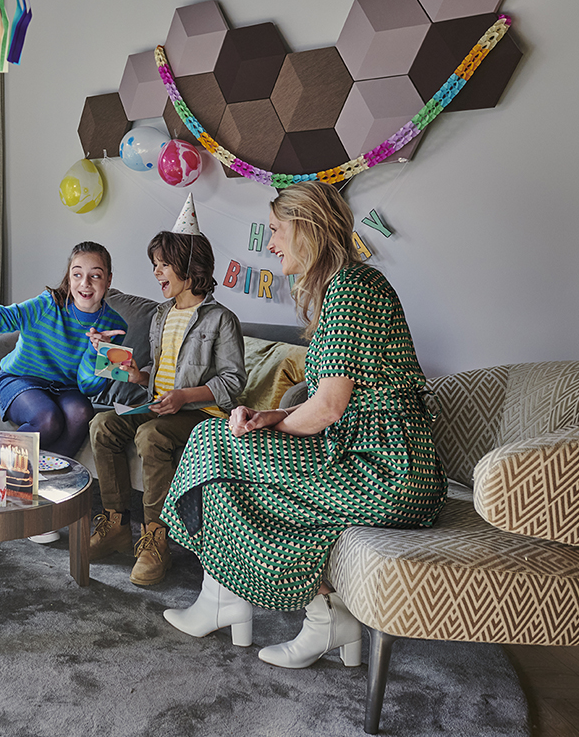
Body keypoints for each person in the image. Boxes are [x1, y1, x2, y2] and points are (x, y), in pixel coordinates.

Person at [160, 181, 446, 666]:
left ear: (307, 228)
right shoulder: (345, 288)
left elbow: (329, 409)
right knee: (222, 460)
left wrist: (269, 428)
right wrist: (270, 417)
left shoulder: (353, 289)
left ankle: (228, 599)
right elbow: (330, 402)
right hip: (369, 456)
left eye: (276, 230)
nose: (271, 243)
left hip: (387, 469)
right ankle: (319, 614)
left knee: (213, 441)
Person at [87, 208, 245, 587]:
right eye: (155, 265)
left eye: (163, 265)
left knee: (152, 435)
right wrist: (133, 372)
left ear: (188, 266)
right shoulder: (161, 315)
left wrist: (183, 396)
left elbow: (233, 382)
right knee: (103, 424)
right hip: (159, 405)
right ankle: (116, 524)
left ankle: (156, 540)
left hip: (201, 413)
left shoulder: (220, 319)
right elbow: (157, 372)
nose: (157, 272)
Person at [0, 241, 127, 458]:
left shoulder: (116, 327)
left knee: (81, 413)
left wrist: (95, 352)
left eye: (95, 276)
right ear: (69, 278)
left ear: (109, 280)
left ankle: (50, 475)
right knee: (47, 418)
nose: (85, 283)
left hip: (68, 388)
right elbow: (7, 318)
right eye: (77, 274)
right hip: (21, 379)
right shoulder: (48, 304)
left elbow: (89, 389)